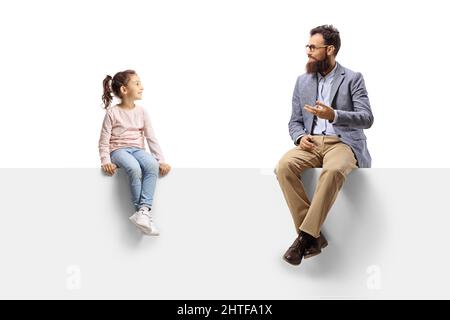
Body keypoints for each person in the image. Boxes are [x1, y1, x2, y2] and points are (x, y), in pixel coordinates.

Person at [276, 25, 374, 265]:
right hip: (311, 144)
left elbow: (367, 118)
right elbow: (294, 121)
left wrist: (334, 115)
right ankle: (313, 238)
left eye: (313, 47)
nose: (308, 51)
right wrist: (300, 137)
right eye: (307, 46)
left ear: (330, 49)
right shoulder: (302, 81)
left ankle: (305, 237)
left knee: (332, 171)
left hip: (342, 142)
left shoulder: (353, 78)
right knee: (283, 167)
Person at [99, 69, 171, 236]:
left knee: (151, 165)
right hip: (118, 150)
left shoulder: (142, 112)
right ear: (124, 90)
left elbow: (151, 137)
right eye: (137, 83)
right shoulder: (112, 113)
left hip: (138, 149)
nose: (142, 87)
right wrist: (105, 161)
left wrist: (161, 160)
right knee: (134, 168)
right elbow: (103, 141)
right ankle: (142, 213)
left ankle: (144, 211)